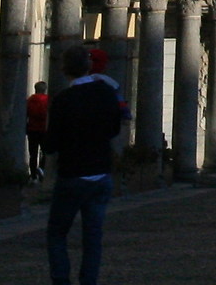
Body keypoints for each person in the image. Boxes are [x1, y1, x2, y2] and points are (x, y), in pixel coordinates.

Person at [46, 44, 127, 285]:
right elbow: (114, 129)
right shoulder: (105, 93)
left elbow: (51, 144)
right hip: (100, 173)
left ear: (64, 69)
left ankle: (61, 280)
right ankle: (88, 281)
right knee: (92, 236)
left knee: (57, 233)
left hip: (73, 174)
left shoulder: (64, 100)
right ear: (89, 67)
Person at [26, 80, 50, 180]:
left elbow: (25, 115)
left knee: (33, 154)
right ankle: (41, 168)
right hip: (44, 129)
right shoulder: (48, 100)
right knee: (46, 152)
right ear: (45, 90)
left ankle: (33, 175)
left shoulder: (29, 100)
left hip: (32, 129)